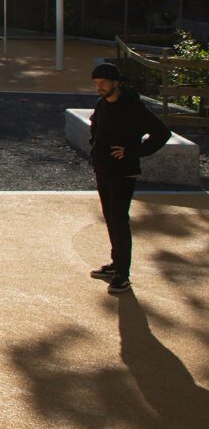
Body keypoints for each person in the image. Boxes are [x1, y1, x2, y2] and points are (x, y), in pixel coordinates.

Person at [86, 62, 171, 295]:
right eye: (96, 83)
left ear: (116, 82)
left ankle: (123, 275)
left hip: (124, 173)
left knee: (119, 219)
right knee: (110, 219)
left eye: (103, 83)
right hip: (103, 170)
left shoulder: (134, 107)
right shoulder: (101, 105)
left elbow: (162, 133)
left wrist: (133, 152)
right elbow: (96, 130)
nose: (99, 87)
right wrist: (96, 150)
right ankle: (116, 265)